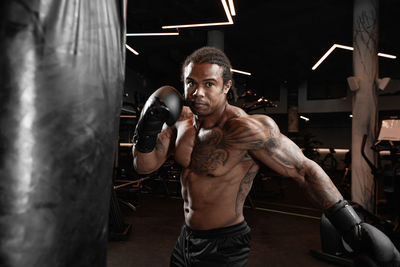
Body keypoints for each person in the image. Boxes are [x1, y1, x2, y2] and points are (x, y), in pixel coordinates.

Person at [132, 46, 400, 266]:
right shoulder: (180, 120)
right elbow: (144, 167)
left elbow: (304, 171)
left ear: (226, 86)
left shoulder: (246, 129)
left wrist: (351, 227)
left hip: (224, 245)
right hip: (186, 239)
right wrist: (146, 131)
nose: (197, 92)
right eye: (191, 83)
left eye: (209, 84)